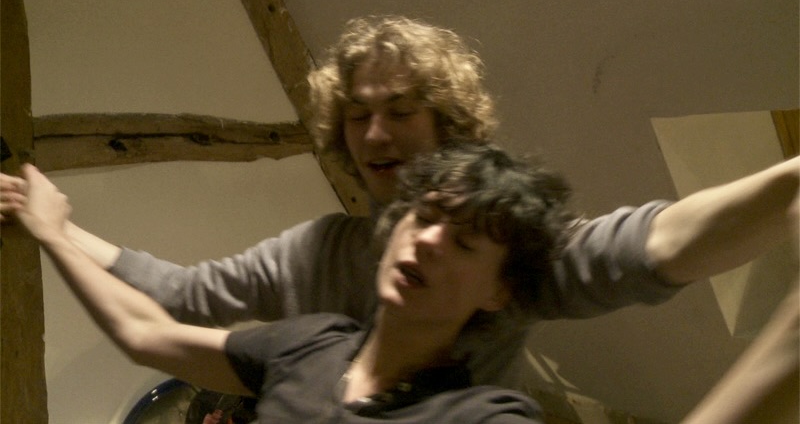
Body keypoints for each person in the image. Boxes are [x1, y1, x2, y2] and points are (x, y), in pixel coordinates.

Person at [1, 16, 798, 388]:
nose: (375, 134)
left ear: (447, 121)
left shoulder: (501, 257)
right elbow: (173, 302)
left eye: (401, 110)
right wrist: (54, 227)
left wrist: (790, 180)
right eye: (356, 115)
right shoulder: (316, 261)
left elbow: (651, 245)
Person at [14, 142, 580, 423]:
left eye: (465, 242)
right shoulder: (313, 341)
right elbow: (144, 333)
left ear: (499, 291)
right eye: (425, 217)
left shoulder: (482, 416)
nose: (429, 240)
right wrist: (53, 233)